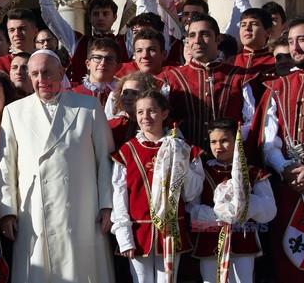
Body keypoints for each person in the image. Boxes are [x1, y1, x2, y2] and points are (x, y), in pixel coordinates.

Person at [0, 49, 115, 282]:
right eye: (35, 74)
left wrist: (107, 206)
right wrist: (7, 211)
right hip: (34, 211)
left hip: (82, 211)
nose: (42, 79)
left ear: (61, 72)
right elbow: (6, 166)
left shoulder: (88, 107)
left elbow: (106, 160)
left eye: (47, 72)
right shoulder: (13, 111)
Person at [111, 90, 204, 283]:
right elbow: (119, 195)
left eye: (152, 111)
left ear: (164, 113)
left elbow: (191, 194)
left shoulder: (183, 147)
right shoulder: (127, 151)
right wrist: (124, 237)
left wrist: (181, 161)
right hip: (137, 232)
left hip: (171, 231)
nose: (145, 117)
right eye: (140, 112)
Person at [254, 16, 304, 282]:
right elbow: (267, 141)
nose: (294, 48)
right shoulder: (277, 87)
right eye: (291, 41)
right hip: (287, 188)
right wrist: (285, 168)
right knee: (287, 266)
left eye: (301, 40)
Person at [189, 118, 276, 283]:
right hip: (209, 243)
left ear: (237, 141)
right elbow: (192, 213)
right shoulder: (203, 173)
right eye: (214, 142)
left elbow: (269, 212)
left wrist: (244, 204)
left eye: (224, 141)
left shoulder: (253, 174)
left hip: (244, 242)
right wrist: (222, 214)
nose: (218, 147)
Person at [158, 14, 255, 150]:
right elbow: (161, 121)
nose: (197, 41)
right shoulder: (170, 78)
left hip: (231, 160)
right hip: (184, 159)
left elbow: (250, 121)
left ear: (218, 39)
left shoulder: (240, 76)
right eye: (192, 35)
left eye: (204, 34)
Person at [36, 0, 129, 83]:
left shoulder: (125, 42)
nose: (100, 18)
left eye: (105, 13)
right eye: (96, 14)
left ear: (115, 17)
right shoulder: (78, 41)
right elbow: (49, 14)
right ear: (90, 18)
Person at [234, 8, 276, 103]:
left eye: (254, 24)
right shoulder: (231, 60)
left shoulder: (276, 62)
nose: (247, 28)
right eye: (243, 25)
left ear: (268, 32)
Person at [109, 71, 159, 148]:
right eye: (125, 93)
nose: (128, 98)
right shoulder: (110, 125)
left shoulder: (157, 126)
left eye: (135, 93)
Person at [72, 38, 122, 107]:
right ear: (88, 64)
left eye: (109, 59)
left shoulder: (124, 95)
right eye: (98, 57)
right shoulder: (73, 94)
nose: (103, 63)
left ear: (118, 67)